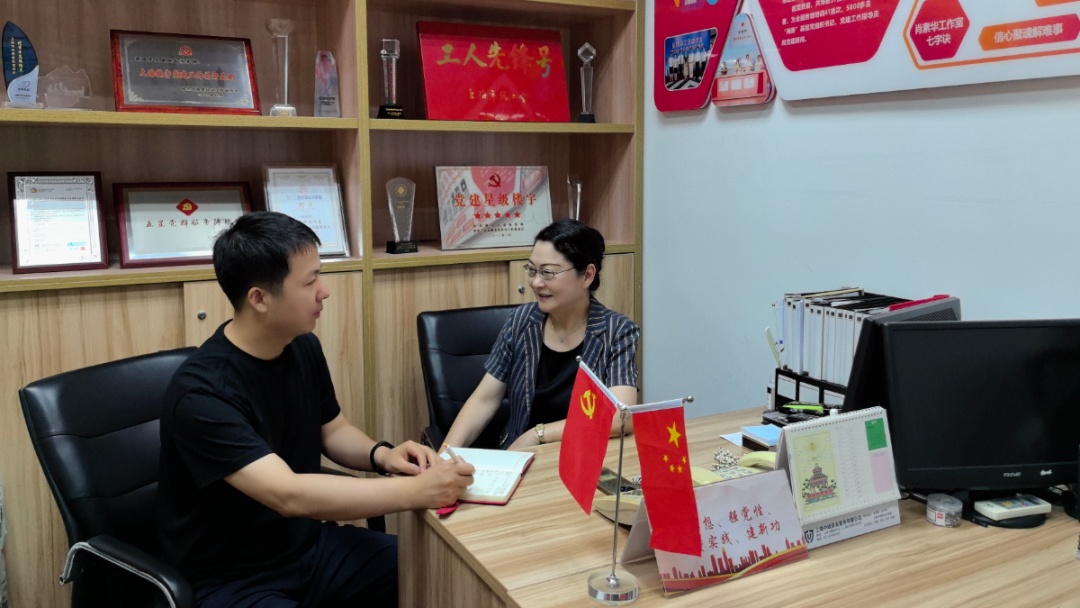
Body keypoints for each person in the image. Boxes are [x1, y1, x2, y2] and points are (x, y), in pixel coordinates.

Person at [158, 211, 475, 608]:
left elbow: (333, 430)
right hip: (231, 579)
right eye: (310, 282)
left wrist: (382, 455)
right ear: (259, 298)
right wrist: (414, 491)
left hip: (307, 547)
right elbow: (288, 495)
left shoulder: (300, 344)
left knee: (441, 571)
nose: (324, 291)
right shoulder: (201, 394)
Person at [443, 219, 640, 451]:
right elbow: (484, 400)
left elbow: (621, 416)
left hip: (584, 456)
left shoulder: (617, 331)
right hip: (521, 456)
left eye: (547, 272)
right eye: (532, 270)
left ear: (587, 275)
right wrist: (445, 455)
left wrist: (539, 434)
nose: (536, 283)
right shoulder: (521, 321)